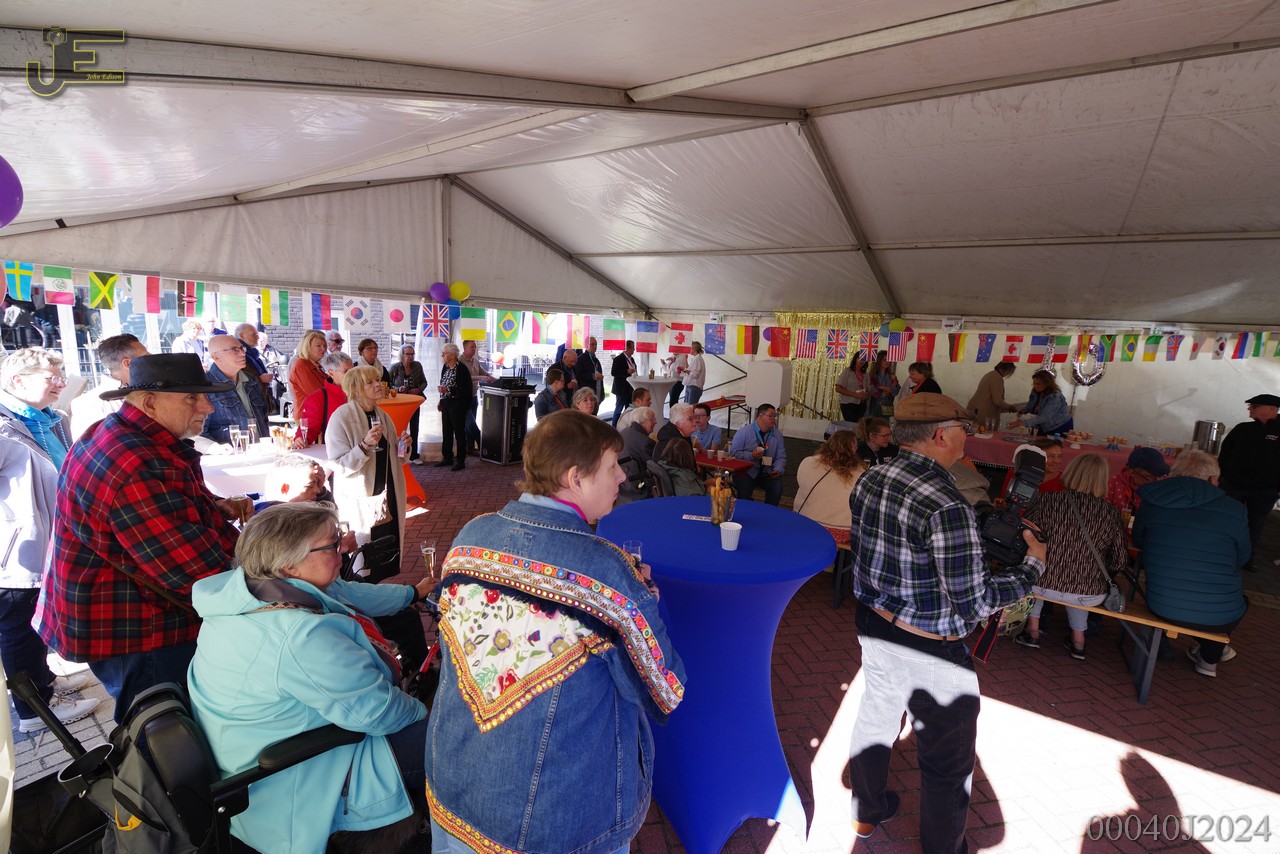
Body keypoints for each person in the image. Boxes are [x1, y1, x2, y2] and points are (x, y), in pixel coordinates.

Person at [425, 409, 685, 852]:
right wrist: (643, 604)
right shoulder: (608, 572)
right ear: (575, 478)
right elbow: (663, 691)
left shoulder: (470, 537)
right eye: (612, 466)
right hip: (550, 818)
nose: (622, 476)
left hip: (453, 784)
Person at [847, 392, 1046, 849]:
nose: (968, 438)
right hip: (929, 646)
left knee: (876, 718)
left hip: (875, 623)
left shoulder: (872, 477)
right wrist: (1033, 565)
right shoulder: (947, 505)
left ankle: (865, 813)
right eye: (964, 429)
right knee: (947, 762)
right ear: (940, 435)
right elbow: (976, 603)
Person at [188, 502, 435, 853]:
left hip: (250, 759)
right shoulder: (298, 635)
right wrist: (429, 714)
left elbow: (351, 594)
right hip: (295, 781)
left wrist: (412, 592)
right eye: (332, 545)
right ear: (288, 564)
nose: (343, 549)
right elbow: (380, 713)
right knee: (450, 740)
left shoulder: (246, 595)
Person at [39, 354, 250, 722]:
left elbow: (158, 516)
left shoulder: (120, 431)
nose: (207, 406)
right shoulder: (135, 460)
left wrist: (214, 509)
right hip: (136, 625)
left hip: (125, 610)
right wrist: (277, 585)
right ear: (150, 402)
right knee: (165, 730)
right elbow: (199, 573)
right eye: (192, 397)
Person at [0, 349, 101, 732]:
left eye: (61, 373)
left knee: (38, 621)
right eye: (51, 376)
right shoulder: (4, 426)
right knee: (20, 628)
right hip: (18, 548)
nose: (61, 382)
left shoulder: (50, 418)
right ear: (18, 381)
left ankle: (44, 682)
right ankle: (33, 712)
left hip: (55, 537)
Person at [1133, 450, 1250, 677]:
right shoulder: (1235, 510)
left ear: (1174, 474)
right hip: (1219, 616)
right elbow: (1242, 558)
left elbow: (1139, 542)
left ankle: (1165, 643)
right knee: (1235, 602)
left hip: (1162, 604)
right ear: (1212, 479)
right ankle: (1208, 660)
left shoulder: (1152, 501)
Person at [1018, 454, 1128, 659]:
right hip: (1089, 594)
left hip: (1041, 585)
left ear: (1071, 472)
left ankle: (1032, 630)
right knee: (1081, 584)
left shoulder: (1047, 500)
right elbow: (1120, 561)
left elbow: (1023, 535)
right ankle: (1078, 641)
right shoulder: (1112, 513)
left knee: (1035, 572)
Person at [326, 365, 408, 581]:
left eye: (378, 380)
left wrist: (403, 445)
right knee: (366, 554)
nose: (378, 385)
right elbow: (338, 464)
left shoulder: (382, 415)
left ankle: (381, 589)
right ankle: (366, 590)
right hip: (361, 496)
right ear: (355, 388)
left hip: (387, 494)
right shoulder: (341, 417)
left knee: (386, 550)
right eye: (370, 382)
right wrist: (363, 446)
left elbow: (395, 457)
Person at [1216, 393, 1280, 572]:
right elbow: (1225, 453)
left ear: (1273, 409)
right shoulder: (1243, 429)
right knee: (1228, 518)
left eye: (1255, 406)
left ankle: (1247, 558)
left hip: (1266, 489)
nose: (1250, 409)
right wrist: (1224, 476)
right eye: (1250, 406)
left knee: (1255, 523)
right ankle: (1221, 552)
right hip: (1233, 485)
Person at [793, 430, 866, 545]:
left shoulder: (808, 462)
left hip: (803, 522)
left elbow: (801, 482)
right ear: (853, 449)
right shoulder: (861, 472)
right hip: (840, 530)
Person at [70, 333, 147, 439]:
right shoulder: (87, 404)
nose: (152, 358)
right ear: (127, 363)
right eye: (146, 356)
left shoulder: (151, 390)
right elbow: (90, 446)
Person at [201, 334, 271, 445]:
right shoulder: (205, 386)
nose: (243, 354)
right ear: (216, 357)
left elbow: (264, 417)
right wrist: (217, 449)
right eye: (235, 350)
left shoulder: (251, 380)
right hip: (230, 453)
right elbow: (199, 432)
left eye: (242, 349)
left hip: (261, 449)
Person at [729, 403, 786, 505]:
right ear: (760, 416)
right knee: (744, 493)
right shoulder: (744, 432)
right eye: (770, 416)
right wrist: (751, 455)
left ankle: (768, 512)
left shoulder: (777, 435)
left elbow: (781, 457)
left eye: (775, 416)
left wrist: (778, 469)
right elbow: (734, 453)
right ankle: (744, 510)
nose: (774, 419)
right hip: (747, 471)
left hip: (768, 472)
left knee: (777, 488)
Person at [297, 350, 353, 445]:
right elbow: (310, 426)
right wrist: (301, 439)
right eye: (346, 371)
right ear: (331, 373)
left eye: (353, 371)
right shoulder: (319, 397)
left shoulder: (362, 391)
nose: (352, 375)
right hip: (334, 447)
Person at [436, 342, 473, 471]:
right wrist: (441, 400)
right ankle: (447, 457)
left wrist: (447, 390)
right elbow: (443, 383)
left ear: (452, 355)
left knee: (459, 432)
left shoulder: (461, 369)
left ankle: (461, 460)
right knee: (446, 431)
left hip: (458, 404)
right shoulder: (445, 367)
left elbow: (465, 390)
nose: (442, 356)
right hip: (446, 403)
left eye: (444, 353)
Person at [389, 344, 427, 465]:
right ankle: (401, 454)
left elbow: (424, 382)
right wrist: (397, 389)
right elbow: (388, 384)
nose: (410, 356)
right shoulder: (395, 367)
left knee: (415, 428)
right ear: (402, 354)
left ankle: (414, 455)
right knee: (401, 429)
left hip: (414, 401)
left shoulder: (417, 366)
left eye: (412, 354)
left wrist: (418, 389)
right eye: (407, 354)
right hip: (400, 403)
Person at [1105, 446, 1169, 514]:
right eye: (1149, 477)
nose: (1155, 481)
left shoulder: (1163, 483)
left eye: (1159, 476)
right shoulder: (1114, 484)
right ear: (1132, 473)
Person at [1010, 369, 1073, 436]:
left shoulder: (1054, 396)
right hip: (1042, 423)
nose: (1035, 386)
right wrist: (1024, 411)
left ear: (1047, 384)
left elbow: (1045, 416)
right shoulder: (1035, 391)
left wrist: (1023, 423)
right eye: (1034, 383)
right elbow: (1031, 404)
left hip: (1058, 425)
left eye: (1038, 384)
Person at [1000, 436, 1066, 496]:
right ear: (1036, 456)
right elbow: (1003, 499)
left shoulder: (1064, 481)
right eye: (1051, 456)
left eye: (1059, 456)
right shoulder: (1015, 473)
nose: (1057, 461)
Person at [617, 406, 657, 503]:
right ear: (643, 421)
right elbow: (656, 467)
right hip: (639, 488)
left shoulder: (624, 432)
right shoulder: (645, 442)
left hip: (623, 485)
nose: (655, 422)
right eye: (652, 419)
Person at [460, 339, 493, 455]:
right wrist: (481, 378)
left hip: (474, 397)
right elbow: (465, 378)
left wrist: (498, 380)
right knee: (470, 423)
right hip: (463, 398)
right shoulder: (459, 361)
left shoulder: (475, 361)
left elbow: (484, 374)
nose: (474, 349)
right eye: (472, 347)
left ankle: (470, 448)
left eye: (475, 347)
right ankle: (483, 443)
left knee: (471, 423)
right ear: (465, 348)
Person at [966, 361, 1018, 429]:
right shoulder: (998, 378)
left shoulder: (990, 374)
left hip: (974, 409)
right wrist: (1010, 407)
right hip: (983, 412)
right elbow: (997, 401)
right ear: (1007, 370)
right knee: (984, 434)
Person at [289, 330, 330, 406]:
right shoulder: (301, 365)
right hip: (308, 411)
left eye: (324, 346)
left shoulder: (316, 365)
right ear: (307, 347)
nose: (323, 349)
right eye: (318, 346)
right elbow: (317, 393)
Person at [834, 356, 870, 423]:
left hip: (862, 404)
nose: (861, 361)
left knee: (858, 425)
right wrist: (854, 394)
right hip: (848, 404)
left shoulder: (866, 374)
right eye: (859, 358)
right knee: (852, 424)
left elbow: (869, 390)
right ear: (855, 359)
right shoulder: (847, 371)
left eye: (864, 359)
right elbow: (838, 388)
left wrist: (866, 394)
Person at [610, 339, 638, 426]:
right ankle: (614, 427)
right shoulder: (618, 359)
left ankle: (626, 426)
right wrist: (626, 371)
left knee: (628, 409)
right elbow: (613, 372)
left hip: (630, 388)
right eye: (633, 347)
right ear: (627, 348)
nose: (634, 349)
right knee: (619, 409)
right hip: (621, 389)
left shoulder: (632, 359)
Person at [576, 337, 606, 413]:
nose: (595, 346)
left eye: (596, 344)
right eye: (592, 344)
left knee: (594, 416)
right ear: (586, 345)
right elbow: (579, 376)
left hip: (597, 394)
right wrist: (593, 376)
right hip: (586, 396)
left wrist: (602, 394)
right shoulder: (581, 359)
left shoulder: (596, 360)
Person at [865, 351, 898, 417]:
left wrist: (882, 387)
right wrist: (885, 389)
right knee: (873, 421)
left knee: (884, 422)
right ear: (879, 360)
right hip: (874, 404)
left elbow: (896, 390)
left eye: (888, 360)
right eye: (884, 360)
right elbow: (872, 390)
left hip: (887, 405)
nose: (887, 362)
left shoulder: (891, 376)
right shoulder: (872, 375)